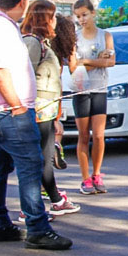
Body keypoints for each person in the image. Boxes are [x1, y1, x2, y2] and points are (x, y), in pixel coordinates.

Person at [0, 0, 72, 250]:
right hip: (9, 112)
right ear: (22, 0)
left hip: (4, 110)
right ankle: (37, 227)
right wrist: (16, 105)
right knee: (30, 167)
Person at [20, 0, 80, 217]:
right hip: (37, 111)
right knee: (40, 161)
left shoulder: (41, 43)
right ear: (44, 19)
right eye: (53, 16)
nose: (56, 21)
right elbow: (24, 79)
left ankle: (50, 200)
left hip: (46, 111)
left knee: (43, 160)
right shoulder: (33, 43)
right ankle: (31, 209)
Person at [71, 0, 115, 195]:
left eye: (84, 15)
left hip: (99, 89)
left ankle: (97, 174)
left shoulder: (105, 35)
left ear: (93, 13)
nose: (82, 19)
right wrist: (97, 59)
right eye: (78, 16)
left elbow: (111, 62)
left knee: (98, 135)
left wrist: (86, 61)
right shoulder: (74, 37)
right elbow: (73, 64)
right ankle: (85, 178)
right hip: (80, 89)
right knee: (83, 135)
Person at [49, 13, 78, 171]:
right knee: (55, 133)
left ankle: (55, 147)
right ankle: (56, 147)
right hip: (50, 103)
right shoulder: (55, 58)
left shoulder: (48, 52)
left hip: (51, 101)